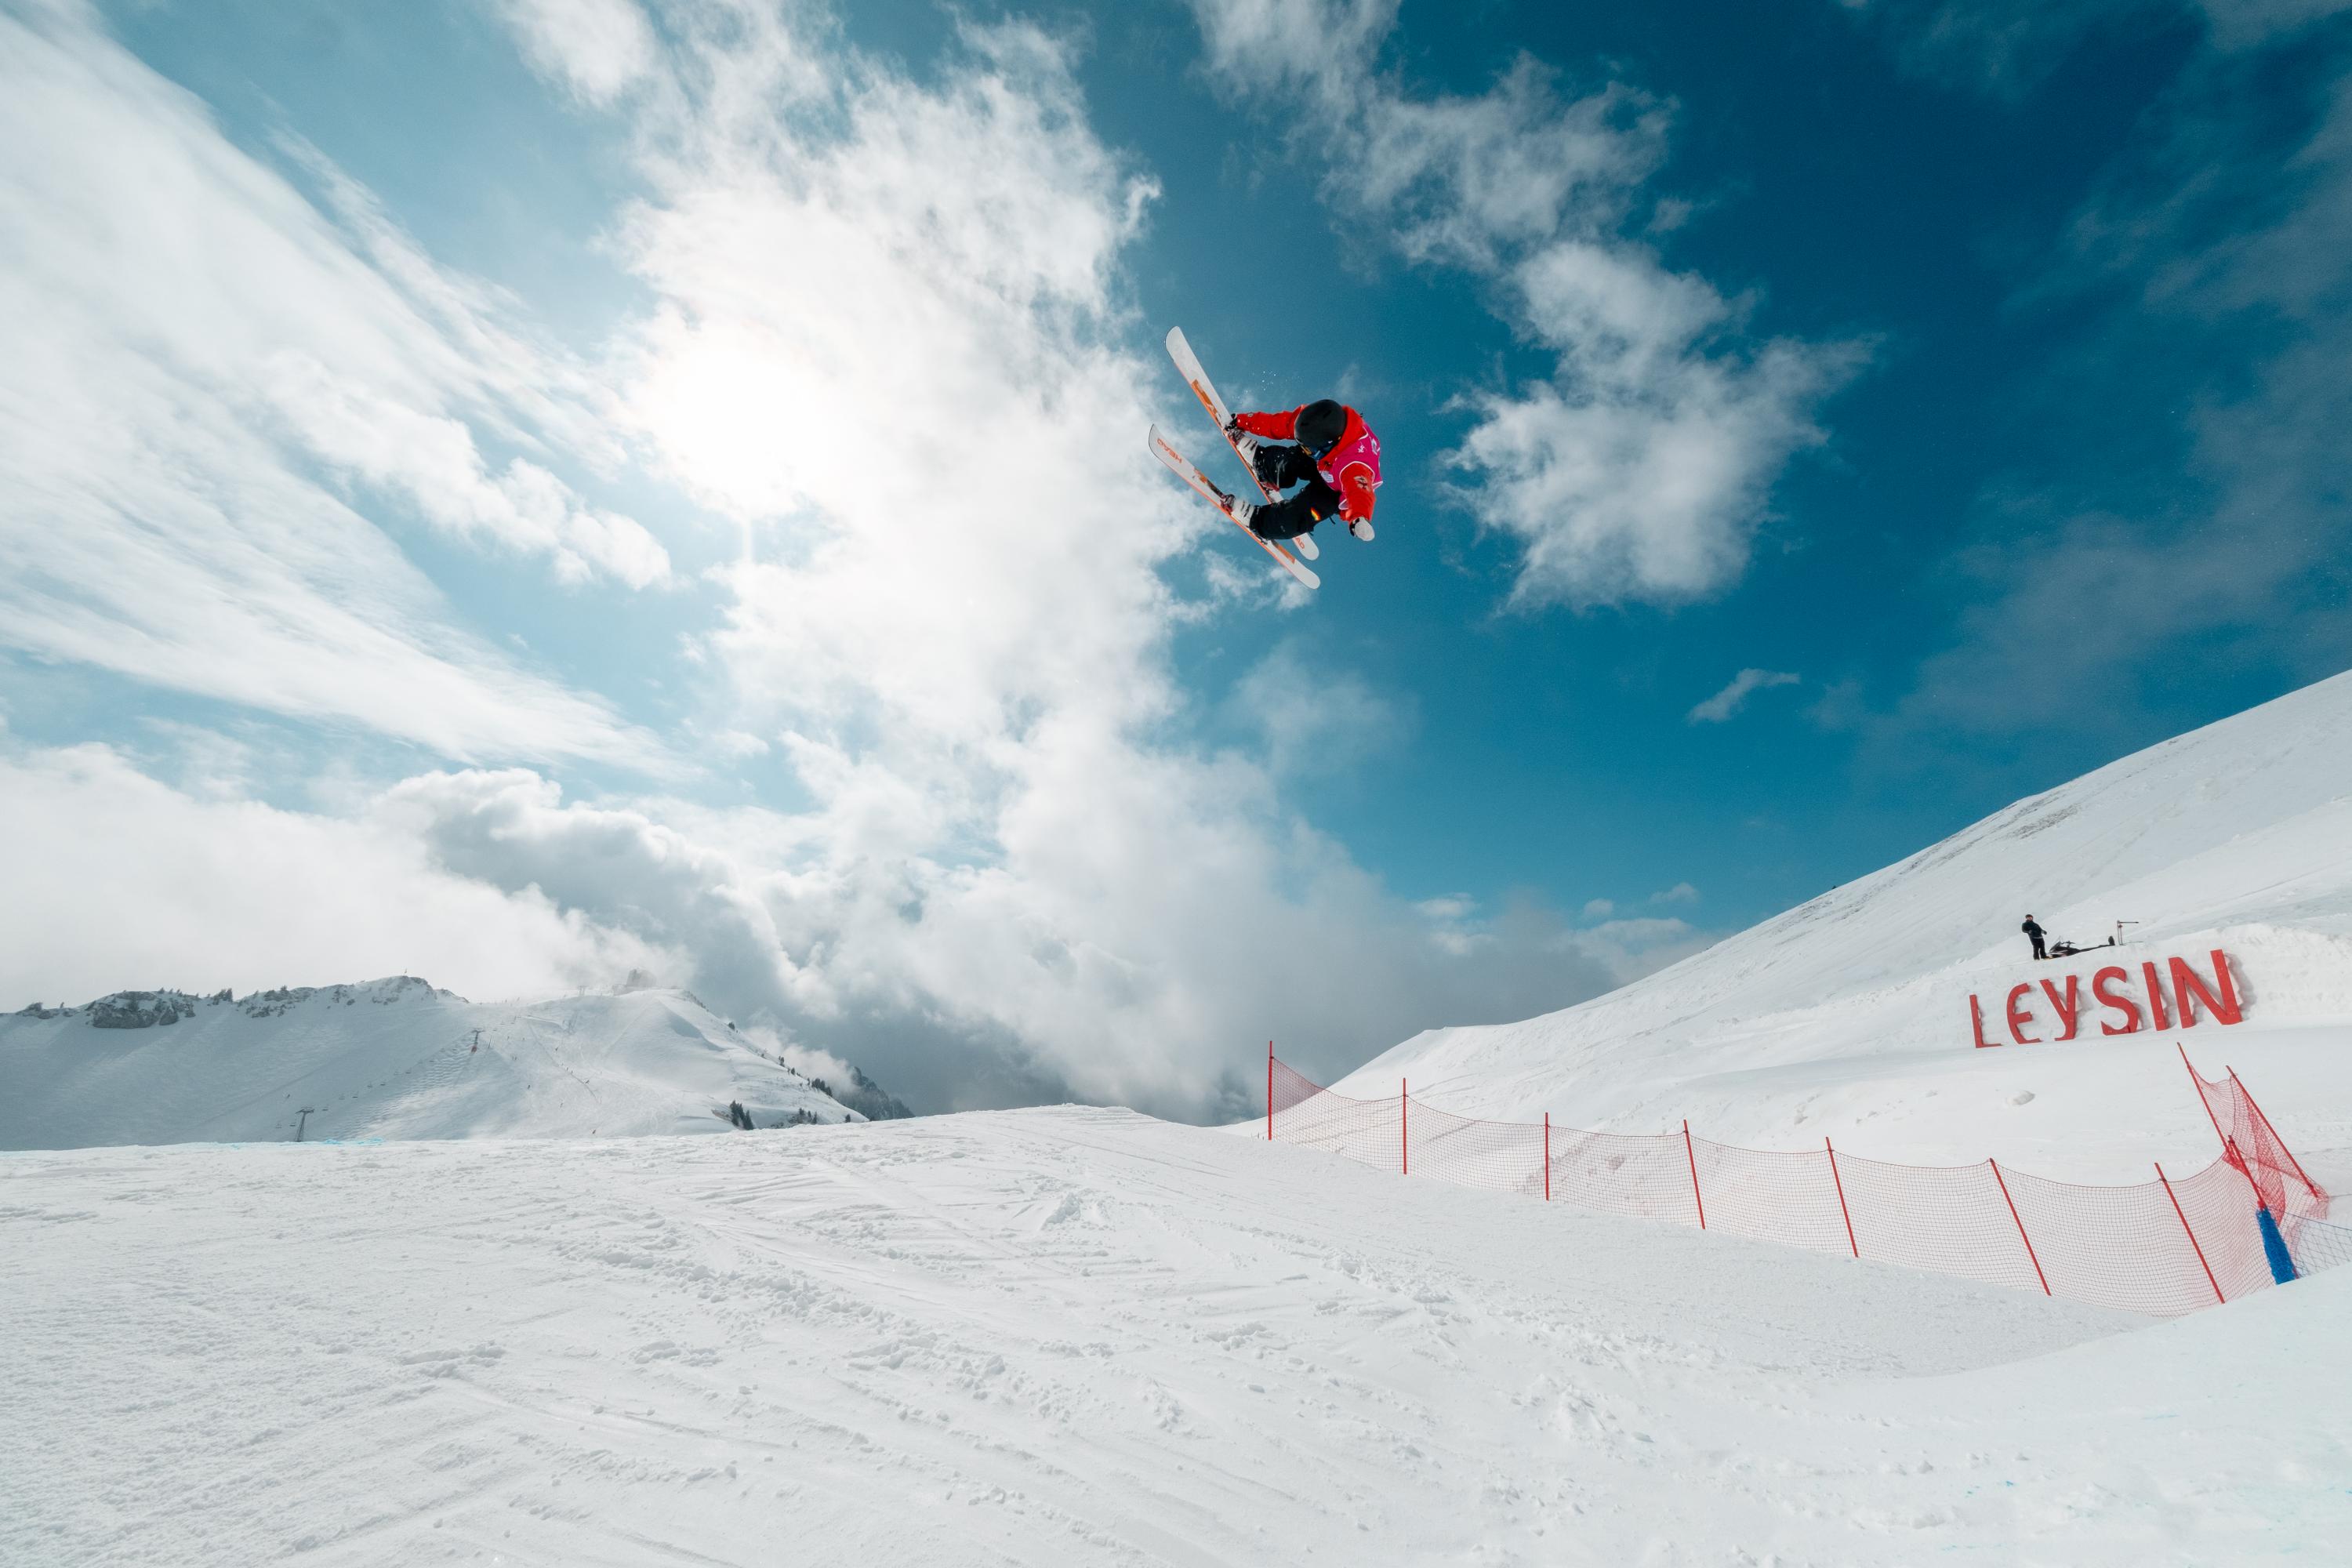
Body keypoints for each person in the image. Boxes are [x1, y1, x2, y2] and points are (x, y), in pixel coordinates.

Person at [1224, 398, 1382, 543]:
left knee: (1302, 513)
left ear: (1329, 445)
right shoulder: (1315, 422)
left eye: (1311, 450)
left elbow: (1360, 491)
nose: (1308, 452)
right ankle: (1263, 463)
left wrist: (1359, 517)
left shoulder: (1354, 466)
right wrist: (1244, 420)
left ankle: (1257, 520)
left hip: (1338, 489)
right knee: (1294, 459)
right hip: (1328, 461)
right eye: (1307, 449)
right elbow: (1280, 423)